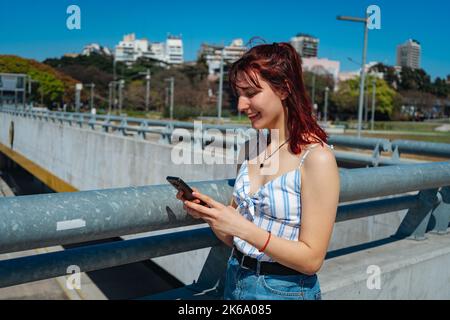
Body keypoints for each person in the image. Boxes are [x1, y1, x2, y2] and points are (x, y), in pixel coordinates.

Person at [177, 42, 340, 300]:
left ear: (284, 89)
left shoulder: (316, 158)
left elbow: (311, 259)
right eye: (239, 94)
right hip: (235, 278)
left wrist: (242, 228)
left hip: (284, 290)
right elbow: (236, 237)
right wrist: (211, 214)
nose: (241, 105)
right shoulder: (250, 148)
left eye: (251, 93)